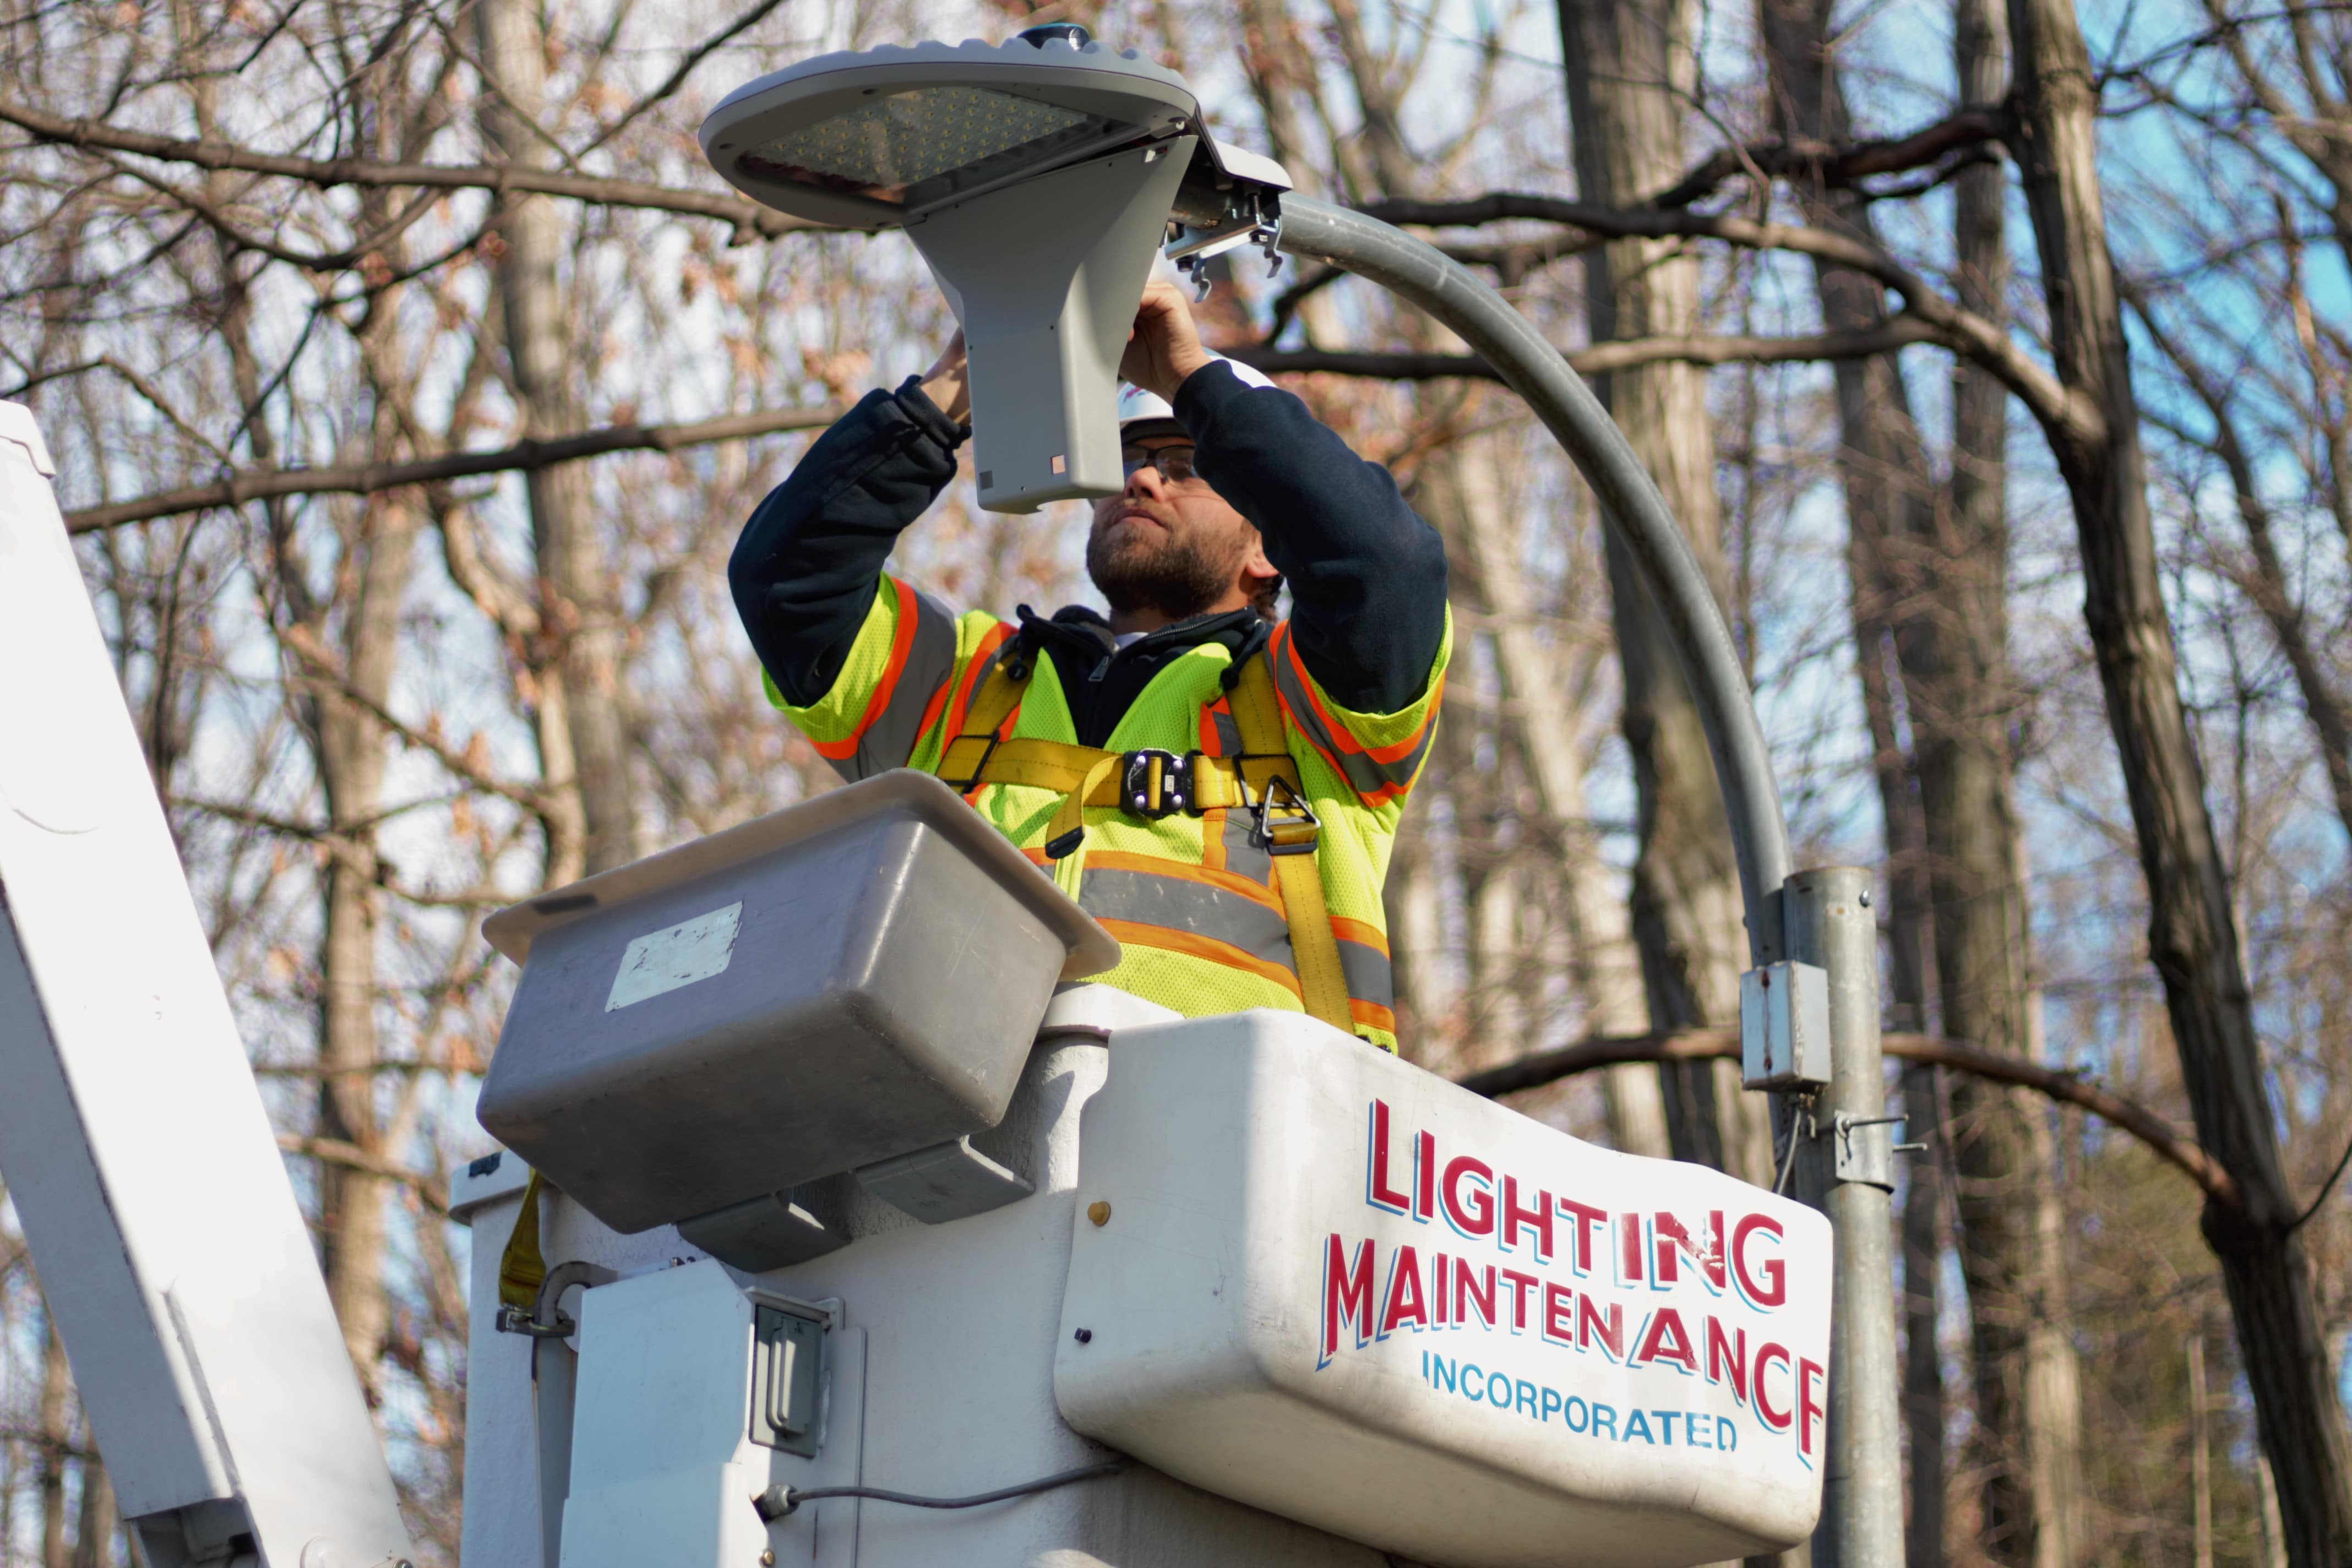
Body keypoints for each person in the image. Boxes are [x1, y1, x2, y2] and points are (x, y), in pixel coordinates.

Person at [728, 280, 1449, 1051]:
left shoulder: (1318, 706)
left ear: (1270, 546)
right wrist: (955, 391)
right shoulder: (967, 683)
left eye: (1185, 464)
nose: (1141, 478)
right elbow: (786, 582)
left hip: (1242, 1145)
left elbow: (1386, 562)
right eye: (1129, 459)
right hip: (968, 1145)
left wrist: (1188, 378)